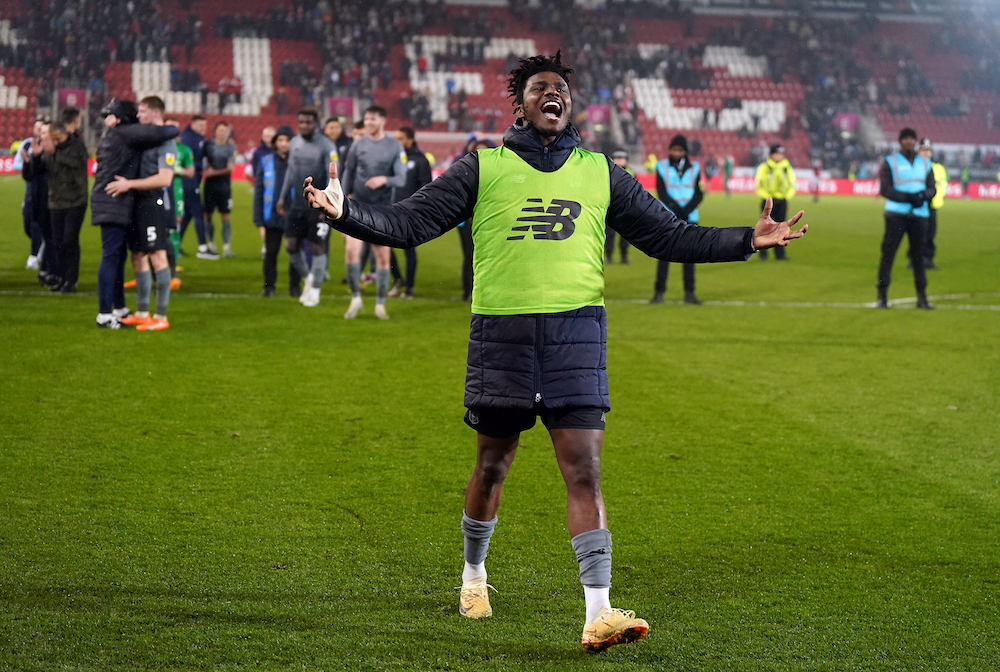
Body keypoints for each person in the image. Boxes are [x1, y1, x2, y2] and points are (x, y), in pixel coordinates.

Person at [304, 52, 807, 653]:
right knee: (492, 467)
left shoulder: (601, 172)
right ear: (519, 104)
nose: (553, 95)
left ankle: (598, 612)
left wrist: (746, 239)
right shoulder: (481, 167)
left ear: (570, 104)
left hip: (576, 338)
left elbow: (669, 235)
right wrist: (346, 213)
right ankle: (473, 576)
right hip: (503, 338)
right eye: (541, 88)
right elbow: (411, 223)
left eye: (561, 90)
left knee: (585, 472)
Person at [90, 98, 179, 329]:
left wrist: (130, 184)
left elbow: (165, 178)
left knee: (156, 255)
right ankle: (141, 311)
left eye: (143, 111)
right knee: (137, 257)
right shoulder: (142, 137)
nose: (138, 115)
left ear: (156, 112)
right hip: (134, 205)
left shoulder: (165, 141)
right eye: (137, 111)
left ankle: (160, 316)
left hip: (152, 203)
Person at [339, 105, 407, 319]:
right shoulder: (357, 145)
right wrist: (342, 196)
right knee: (351, 251)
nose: (368, 122)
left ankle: (380, 304)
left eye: (372, 119)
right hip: (357, 207)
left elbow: (401, 178)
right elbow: (348, 170)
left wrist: (384, 179)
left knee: (382, 257)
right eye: (366, 119)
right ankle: (356, 299)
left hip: (382, 210)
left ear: (383, 121)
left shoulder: (395, 146)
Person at [276, 107, 338, 304]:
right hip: (297, 204)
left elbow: (334, 177)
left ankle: (316, 292)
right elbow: (291, 172)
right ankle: (309, 280)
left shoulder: (327, 146)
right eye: (300, 122)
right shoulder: (294, 143)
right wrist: (282, 196)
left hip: (318, 205)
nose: (303, 126)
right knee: (291, 245)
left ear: (316, 123)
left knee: (317, 246)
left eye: (308, 122)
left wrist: (327, 203)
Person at [877, 128, 936, 310]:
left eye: (912, 139)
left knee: (918, 257)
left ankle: (922, 297)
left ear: (915, 141)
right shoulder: (890, 162)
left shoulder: (926, 164)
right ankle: (882, 295)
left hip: (919, 215)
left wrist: (922, 196)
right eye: (906, 139)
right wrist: (908, 197)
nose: (909, 141)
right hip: (896, 215)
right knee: (888, 254)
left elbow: (932, 188)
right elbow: (885, 189)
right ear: (900, 141)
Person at [31, 118, 89, 293]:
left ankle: (71, 281)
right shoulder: (50, 150)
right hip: (55, 201)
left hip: (75, 200)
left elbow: (76, 164)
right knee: (58, 243)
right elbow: (38, 171)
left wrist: (54, 152)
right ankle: (62, 279)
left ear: (63, 135)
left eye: (56, 138)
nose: (53, 142)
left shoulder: (77, 146)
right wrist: (36, 157)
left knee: (69, 241)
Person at [651, 135, 702, 305]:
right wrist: (677, 209)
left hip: (690, 217)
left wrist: (686, 211)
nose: (677, 153)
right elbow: (661, 191)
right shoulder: (661, 166)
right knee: (664, 256)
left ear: (685, 151)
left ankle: (690, 293)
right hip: (668, 217)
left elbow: (698, 193)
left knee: (689, 258)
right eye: (674, 150)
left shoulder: (695, 167)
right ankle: (658, 293)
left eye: (680, 150)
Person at [388, 126, 432, 299]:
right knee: (385, 247)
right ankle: (399, 279)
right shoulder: (394, 159)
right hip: (391, 209)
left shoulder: (420, 160)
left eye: (400, 138)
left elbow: (426, 187)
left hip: (410, 212)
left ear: (409, 140)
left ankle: (409, 289)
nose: (397, 141)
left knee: (408, 249)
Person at [253, 125, 292, 297]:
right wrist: (258, 218)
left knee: (294, 253)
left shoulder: (299, 161)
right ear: (275, 143)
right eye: (280, 140)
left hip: (293, 216)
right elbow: (259, 191)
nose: (283, 144)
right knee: (271, 253)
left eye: (287, 140)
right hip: (272, 216)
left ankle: (295, 287)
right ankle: (269, 287)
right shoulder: (266, 161)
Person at [20, 120, 58, 287]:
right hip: (38, 200)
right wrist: (29, 161)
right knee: (45, 235)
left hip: (56, 200)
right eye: (41, 132)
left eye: (46, 132)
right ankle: (47, 269)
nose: (43, 135)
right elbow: (28, 176)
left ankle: (50, 271)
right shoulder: (36, 151)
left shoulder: (58, 151)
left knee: (53, 238)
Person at [163, 116, 195, 288]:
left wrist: (178, 170)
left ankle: (172, 267)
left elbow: (191, 172)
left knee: (175, 225)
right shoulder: (157, 146)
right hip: (158, 188)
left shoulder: (184, 149)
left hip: (176, 189)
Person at [179, 115, 214, 259]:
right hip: (189, 182)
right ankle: (202, 248)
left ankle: (176, 245)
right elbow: (188, 161)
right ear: (192, 124)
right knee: (198, 213)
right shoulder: (189, 139)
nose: (203, 128)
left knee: (187, 215)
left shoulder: (197, 138)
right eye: (200, 125)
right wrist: (202, 168)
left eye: (204, 126)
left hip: (192, 180)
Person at [754, 144, 797, 260]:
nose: (779, 156)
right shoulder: (764, 167)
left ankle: (780, 254)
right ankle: (763, 252)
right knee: (765, 228)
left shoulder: (787, 167)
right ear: (771, 155)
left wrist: (785, 197)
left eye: (781, 154)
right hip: (768, 201)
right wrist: (768, 197)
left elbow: (792, 184)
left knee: (781, 228)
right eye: (777, 154)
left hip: (782, 201)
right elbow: (758, 184)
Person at [14, 116, 46, 271]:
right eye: (38, 128)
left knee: (36, 225)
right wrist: (27, 162)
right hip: (30, 191)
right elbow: (17, 165)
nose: (40, 131)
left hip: (45, 192)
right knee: (28, 226)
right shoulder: (28, 144)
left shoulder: (50, 146)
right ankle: (41, 245)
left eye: (43, 128)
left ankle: (34, 256)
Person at [202, 121, 237, 257]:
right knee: (208, 215)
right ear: (215, 131)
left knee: (225, 216)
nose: (223, 133)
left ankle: (226, 248)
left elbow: (230, 169)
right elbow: (202, 160)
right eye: (220, 130)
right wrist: (206, 170)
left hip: (224, 186)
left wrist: (212, 172)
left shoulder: (230, 148)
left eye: (225, 130)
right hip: (209, 186)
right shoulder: (208, 146)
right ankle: (211, 244)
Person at [918, 138, 947, 270]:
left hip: (932, 205)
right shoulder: (914, 166)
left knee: (930, 233)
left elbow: (943, 185)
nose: (926, 153)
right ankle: (915, 260)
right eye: (924, 150)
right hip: (917, 205)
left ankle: (928, 259)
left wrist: (936, 199)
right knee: (916, 233)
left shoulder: (938, 168)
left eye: (928, 150)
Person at [604, 149, 632, 265]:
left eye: (622, 158)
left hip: (626, 209)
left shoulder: (632, 173)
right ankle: (609, 256)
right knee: (609, 235)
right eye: (617, 158)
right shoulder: (607, 172)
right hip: (610, 209)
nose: (619, 161)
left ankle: (624, 257)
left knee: (625, 236)